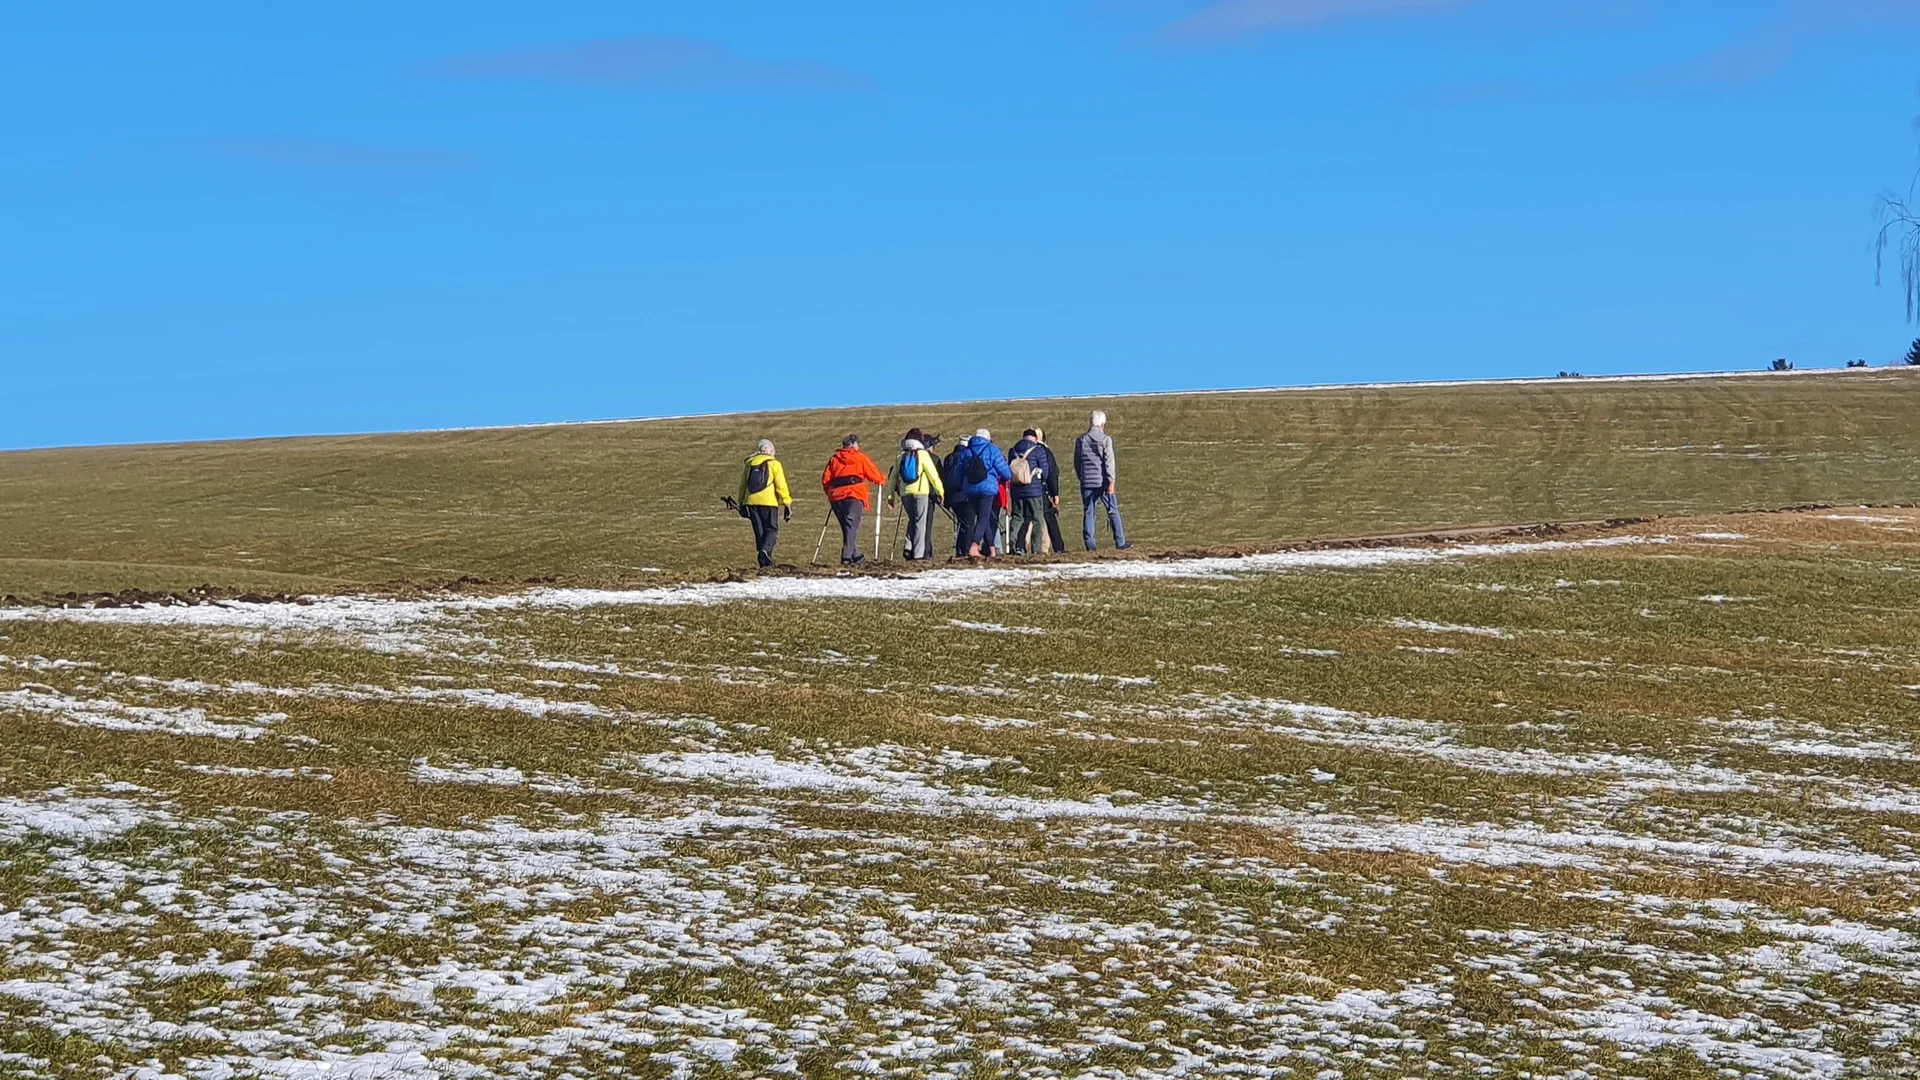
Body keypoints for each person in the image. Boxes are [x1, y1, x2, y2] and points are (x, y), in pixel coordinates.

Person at [821, 434, 888, 565]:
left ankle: (857, 556)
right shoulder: (860, 457)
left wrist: (830, 493)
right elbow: (874, 474)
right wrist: (883, 479)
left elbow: (826, 479)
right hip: (855, 495)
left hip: (836, 497)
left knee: (847, 528)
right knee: (851, 527)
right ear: (854, 445)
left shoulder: (834, 459)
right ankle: (846, 557)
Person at [947, 429, 1012, 559]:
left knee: (984, 518)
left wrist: (962, 486)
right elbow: (1005, 471)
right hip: (987, 489)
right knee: (983, 518)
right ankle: (974, 545)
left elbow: (959, 472)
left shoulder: (967, 451)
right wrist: (1006, 478)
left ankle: (992, 548)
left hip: (970, 489)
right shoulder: (992, 450)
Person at [1074, 410, 1131, 551]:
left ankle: (1090, 545)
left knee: (1089, 513)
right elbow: (1109, 462)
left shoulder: (1081, 440)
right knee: (1113, 511)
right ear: (1103, 424)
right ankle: (1120, 542)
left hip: (1087, 481)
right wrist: (1111, 481)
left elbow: (1077, 462)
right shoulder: (1106, 440)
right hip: (1103, 482)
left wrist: (1082, 477)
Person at [887, 428, 945, 561]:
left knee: (913, 519)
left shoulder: (900, 456)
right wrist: (940, 491)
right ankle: (918, 554)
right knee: (920, 523)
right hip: (921, 492)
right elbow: (933, 475)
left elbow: (893, 478)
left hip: (905, 493)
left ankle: (908, 547)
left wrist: (890, 497)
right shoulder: (923, 455)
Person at [738, 438, 793, 567]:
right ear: (769, 450)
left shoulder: (750, 463)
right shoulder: (774, 464)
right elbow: (781, 485)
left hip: (751, 502)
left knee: (760, 530)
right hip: (769, 502)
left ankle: (763, 559)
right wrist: (787, 503)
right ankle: (765, 552)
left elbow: (743, 485)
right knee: (771, 529)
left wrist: (741, 502)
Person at [1007, 427, 1058, 555]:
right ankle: (1037, 549)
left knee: (1017, 517)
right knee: (1037, 519)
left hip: (1016, 491)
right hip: (1034, 491)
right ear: (1035, 438)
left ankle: (1013, 544)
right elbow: (1045, 472)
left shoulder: (1013, 451)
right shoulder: (1038, 450)